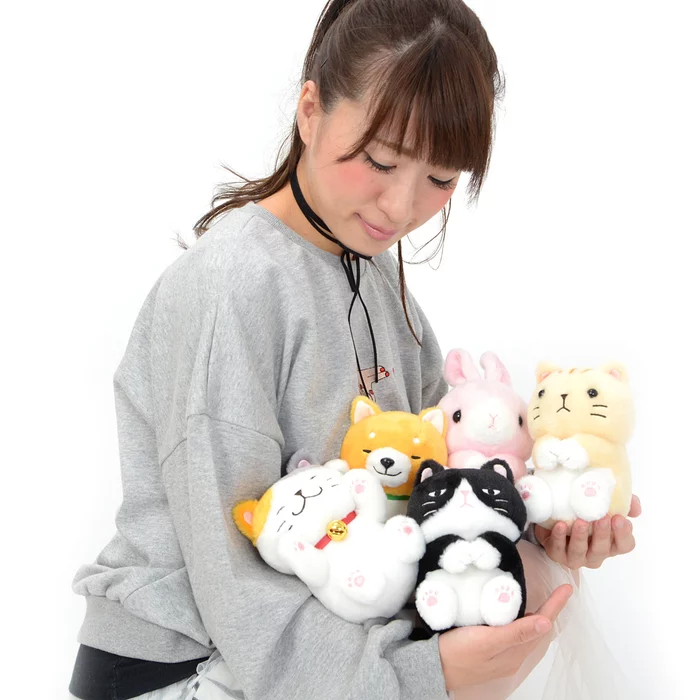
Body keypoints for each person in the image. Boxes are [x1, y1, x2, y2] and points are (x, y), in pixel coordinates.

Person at [67, 1, 640, 699]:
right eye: (380, 161)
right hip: (183, 668)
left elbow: (441, 492)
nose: (400, 207)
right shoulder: (231, 283)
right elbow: (232, 581)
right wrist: (417, 675)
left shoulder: (383, 292)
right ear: (310, 110)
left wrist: (549, 523)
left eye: (440, 179)